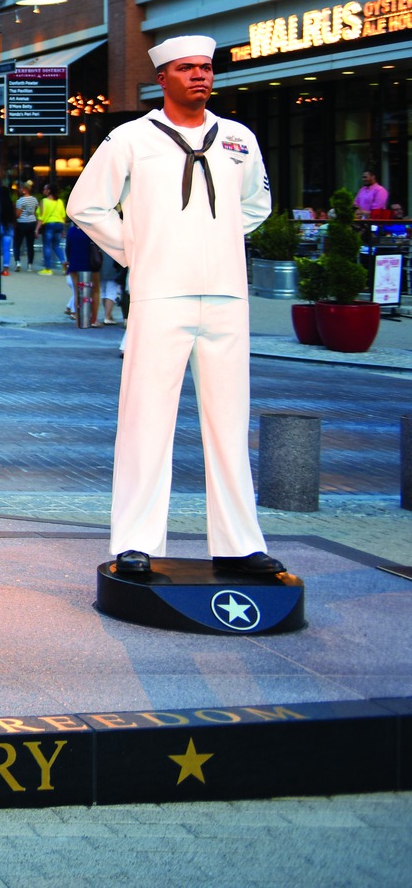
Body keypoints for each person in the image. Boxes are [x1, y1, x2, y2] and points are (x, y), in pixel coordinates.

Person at [67, 33, 283, 580]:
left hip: (228, 295)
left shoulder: (238, 139)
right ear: (162, 78)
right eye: (186, 68)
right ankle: (136, 542)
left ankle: (239, 544)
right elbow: (85, 204)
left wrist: (220, 239)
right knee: (146, 420)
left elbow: (256, 205)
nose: (199, 77)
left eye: (206, 68)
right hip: (161, 295)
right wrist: (137, 249)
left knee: (230, 423)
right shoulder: (130, 139)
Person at [37, 182, 68, 274]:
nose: (43, 191)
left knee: (47, 246)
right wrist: (63, 229)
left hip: (49, 225)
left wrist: (36, 229)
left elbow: (41, 217)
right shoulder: (60, 202)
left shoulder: (44, 201)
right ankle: (64, 263)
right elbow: (63, 216)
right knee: (56, 246)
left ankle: (48, 268)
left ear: (49, 191)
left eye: (45, 189)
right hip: (59, 225)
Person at [13, 180, 40, 271]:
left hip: (22, 223)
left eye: (21, 188)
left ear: (25, 190)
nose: (20, 190)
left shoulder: (20, 201)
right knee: (30, 245)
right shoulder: (34, 200)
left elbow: (18, 214)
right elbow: (35, 210)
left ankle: (18, 262)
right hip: (32, 222)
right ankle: (30, 265)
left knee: (17, 244)